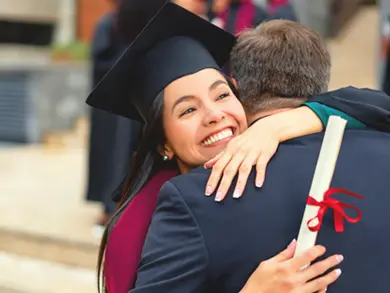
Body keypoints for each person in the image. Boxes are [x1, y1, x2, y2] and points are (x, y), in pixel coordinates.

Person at [87, 4, 390, 293]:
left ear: (240, 97)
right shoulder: (153, 214)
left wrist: (289, 122)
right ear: (163, 142)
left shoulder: (274, 145)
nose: (215, 115)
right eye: (187, 111)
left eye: (221, 96)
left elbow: (373, 104)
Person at [86, 0, 142, 230]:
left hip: (129, 103)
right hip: (109, 106)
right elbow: (99, 62)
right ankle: (107, 208)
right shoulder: (107, 23)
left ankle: (119, 206)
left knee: (123, 157)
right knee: (109, 157)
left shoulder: (141, 23)